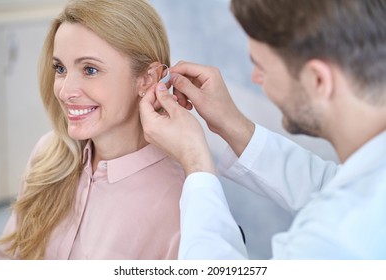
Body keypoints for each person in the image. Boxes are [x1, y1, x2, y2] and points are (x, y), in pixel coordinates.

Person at [139, 0, 386, 259]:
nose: (255, 78)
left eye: (261, 66)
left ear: (318, 80)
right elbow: (330, 184)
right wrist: (234, 125)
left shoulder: (337, 239)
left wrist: (196, 162)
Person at [0, 0, 185, 260]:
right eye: (60, 68)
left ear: (147, 79)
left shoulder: (177, 200)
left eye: (90, 70)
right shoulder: (48, 154)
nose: (65, 90)